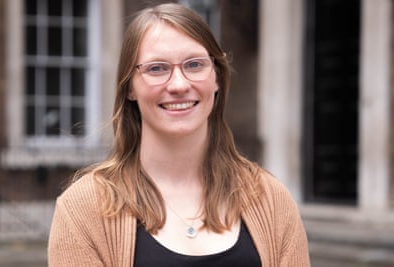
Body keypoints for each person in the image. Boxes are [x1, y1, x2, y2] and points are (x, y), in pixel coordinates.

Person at [48, 3, 310, 266]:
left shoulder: (271, 199)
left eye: (194, 64)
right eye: (157, 68)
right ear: (130, 88)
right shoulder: (82, 210)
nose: (179, 85)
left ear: (217, 78)